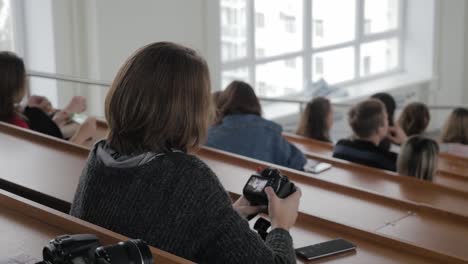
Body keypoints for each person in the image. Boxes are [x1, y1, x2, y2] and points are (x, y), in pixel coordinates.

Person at [70, 42, 301, 264]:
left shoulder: (100, 155)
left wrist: (234, 214)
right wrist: (282, 225)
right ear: (191, 110)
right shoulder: (187, 175)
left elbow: (167, 224)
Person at [207, 81, 307, 171]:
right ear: (255, 103)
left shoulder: (208, 135)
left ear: (223, 102)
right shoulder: (271, 132)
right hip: (260, 189)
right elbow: (299, 162)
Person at [0, 51, 96, 145]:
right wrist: (81, 136)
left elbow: (42, 137)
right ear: (14, 84)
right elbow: (52, 159)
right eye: (24, 77)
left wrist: (59, 117)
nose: (26, 81)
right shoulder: (18, 126)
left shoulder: (12, 115)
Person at [333, 99, 407, 171]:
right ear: (380, 129)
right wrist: (405, 142)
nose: (388, 122)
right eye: (386, 119)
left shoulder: (341, 146)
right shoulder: (389, 160)